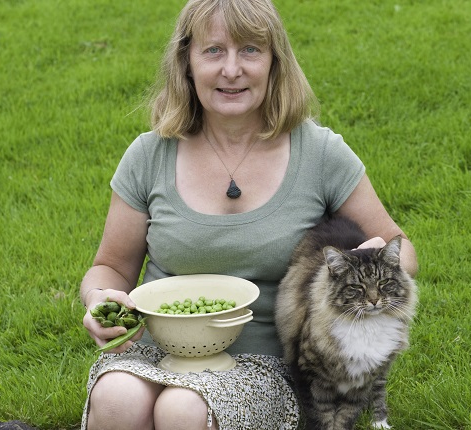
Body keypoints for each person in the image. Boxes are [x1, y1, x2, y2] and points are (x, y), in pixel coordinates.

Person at [78, 0, 418, 429]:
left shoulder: (320, 153)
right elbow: (109, 267)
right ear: (187, 61)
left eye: (251, 51)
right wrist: (99, 299)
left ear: (275, 61)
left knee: (183, 410)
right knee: (116, 399)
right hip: (157, 351)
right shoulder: (149, 154)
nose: (232, 69)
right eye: (214, 50)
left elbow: (400, 250)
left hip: (266, 363)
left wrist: (369, 257)